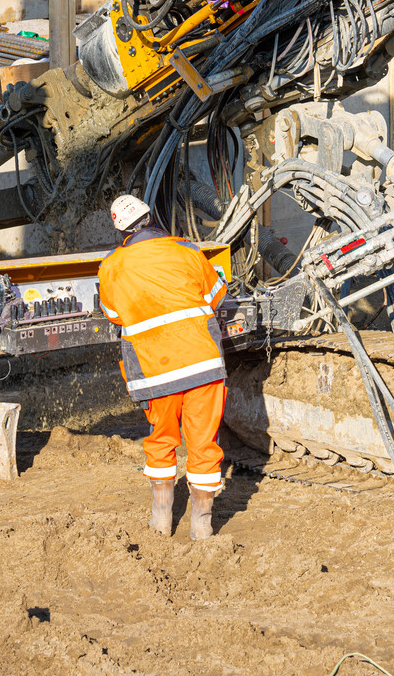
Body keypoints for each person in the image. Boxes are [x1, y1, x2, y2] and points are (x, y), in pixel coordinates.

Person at [96, 193, 228, 540]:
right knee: (203, 444)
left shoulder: (111, 266)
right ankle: (202, 526)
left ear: (120, 231)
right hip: (203, 364)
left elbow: (114, 315)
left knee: (161, 440)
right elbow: (216, 295)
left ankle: (161, 522)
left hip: (157, 371)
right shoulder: (187, 250)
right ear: (151, 218)